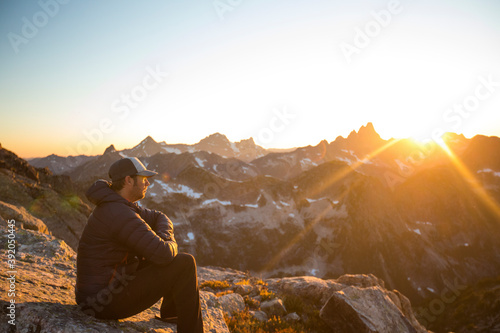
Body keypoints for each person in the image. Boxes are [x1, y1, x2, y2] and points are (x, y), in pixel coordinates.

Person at [75, 157, 204, 333]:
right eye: (143, 179)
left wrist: (163, 237)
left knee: (165, 258)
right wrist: (168, 241)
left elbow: (159, 217)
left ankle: (171, 313)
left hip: (97, 295)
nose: (148, 183)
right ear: (129, 180)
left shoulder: (118, 205)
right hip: (102, 302)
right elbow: (164, 254)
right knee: (185, 264)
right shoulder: (120, 214)